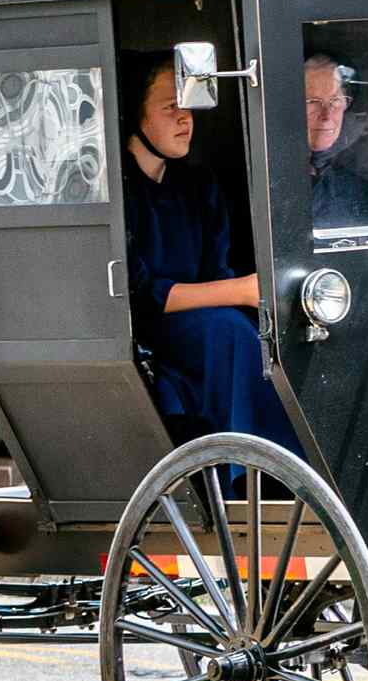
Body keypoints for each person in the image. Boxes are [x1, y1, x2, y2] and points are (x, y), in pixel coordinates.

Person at [122, 55, 302, 456]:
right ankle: (251, 463)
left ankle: (283, 458)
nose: (185, 119)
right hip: (146, 331)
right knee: (227, 331)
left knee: (253, 331)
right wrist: (239, 291)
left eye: (188, 107)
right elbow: (140, 294)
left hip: (204, 321)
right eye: (171, 107)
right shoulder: (120, 192)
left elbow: (213, 271)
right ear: (136, 114)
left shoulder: (198, 185)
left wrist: (237, 294)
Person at [303, 53, 368, 227]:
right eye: (313, 102)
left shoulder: (357, 193)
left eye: (335, 101)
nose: (326, 115)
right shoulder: (264, 181)